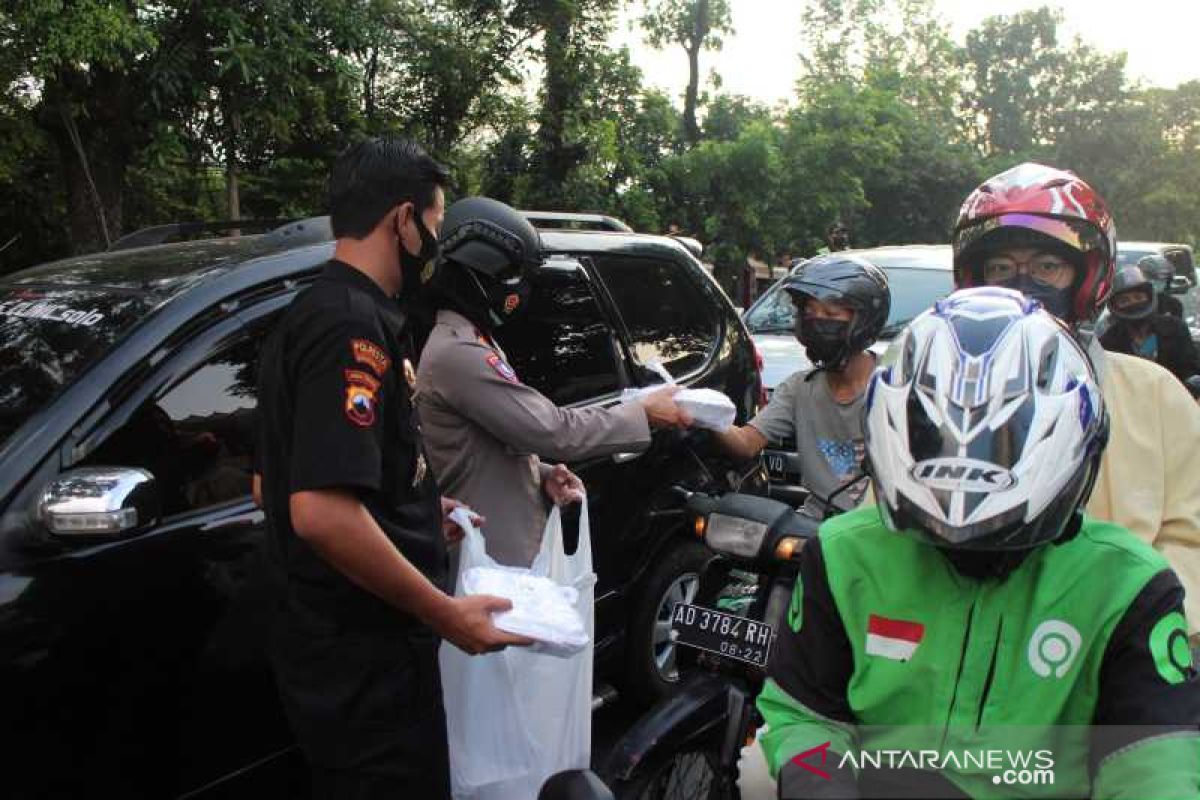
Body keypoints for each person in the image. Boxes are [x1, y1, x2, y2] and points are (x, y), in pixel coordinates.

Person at [760, 288, 1200, 799]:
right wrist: (819, 787)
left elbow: (1154, 762)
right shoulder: (844, 555)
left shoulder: (1129, 587)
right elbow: (804, 713)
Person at [255, 138, 527, 799]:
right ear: (402, 221)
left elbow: (276, 479)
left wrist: (418, 515)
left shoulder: (315, 313)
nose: (436, 245)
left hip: (345, 654)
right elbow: (319, 513)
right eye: (434, 227)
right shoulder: (350, 327)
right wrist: (444, 613)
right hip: (365, 668)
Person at [950, 162, 1200, 640]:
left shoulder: (1154, 393)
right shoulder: (933, 394)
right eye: (1002, 268)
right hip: (966, 647)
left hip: (1116, 652)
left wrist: (1121, 624)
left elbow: (1190, 542)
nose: (1023, 284)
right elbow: (890, 528)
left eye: (1047, 267)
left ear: (1086, 277)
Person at [414, 196, 691, 568]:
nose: (520, 293)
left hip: (501, 557)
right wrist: (642, 412)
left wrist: (540, 474)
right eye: (514, 278)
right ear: (483, 274)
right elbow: (551, 430)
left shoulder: (474, 341)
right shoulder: (458, 352)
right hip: (486, 566)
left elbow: (490, 444)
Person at [713, 253, 889, 516]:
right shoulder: (799, 388)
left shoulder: (897, 384)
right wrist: (704, 415)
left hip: (879, 528)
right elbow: (746, 443)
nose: (818, 322)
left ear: (863, 321)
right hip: (816, 527)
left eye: (830, 313)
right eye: (809, 312)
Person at [1101, 265, 1200, 385]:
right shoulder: (1109, 341)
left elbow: (1190, 371)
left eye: (1138, 297)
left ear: (1149, 297)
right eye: (1124, 301)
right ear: (1115, 307)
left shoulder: (1176, 329)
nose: (1133, 303)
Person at [1139, 253, 1185, 318]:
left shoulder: (1173, 304)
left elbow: (1179, 326)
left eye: (1164, 278)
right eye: (1150, 276)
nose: (1153, 281)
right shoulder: (1134, 301)